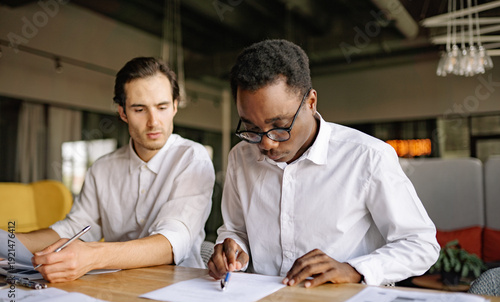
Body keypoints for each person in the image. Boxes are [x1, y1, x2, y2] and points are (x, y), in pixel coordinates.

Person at [208, 39, 439, 287]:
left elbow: (420, 243)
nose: (266, 144)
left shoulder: (368, 157)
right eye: (252, 129)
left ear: (311, 102)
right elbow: (235, 229)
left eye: (279, 126)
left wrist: (355, 270)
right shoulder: (240, 157)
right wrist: (232, 247)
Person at [17, 57, 215, 283]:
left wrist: (93, 256)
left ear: (175, 106)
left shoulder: (192, 158)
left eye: (162, 107)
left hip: (178, 289)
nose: (153, 122)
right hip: (115, 288)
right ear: (122, 113)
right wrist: (8, 242)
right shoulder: (102, 169)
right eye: (139, 109)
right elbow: (73, 228)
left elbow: (171, 243)